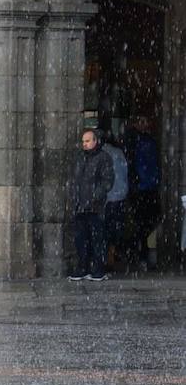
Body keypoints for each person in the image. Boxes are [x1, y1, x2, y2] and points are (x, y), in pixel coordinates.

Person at [68, 129, 114, 282]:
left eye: (87, 141)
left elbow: (107, 181)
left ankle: (98, 269)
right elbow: (75, 180)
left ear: (95, 141)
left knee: (97, 238)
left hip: (95, 207)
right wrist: (74, 197)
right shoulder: (80, 158)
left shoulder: (103, 158)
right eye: (83, 141)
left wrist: (96, 196)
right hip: (80, 205)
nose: (84, 144)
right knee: (81, 239)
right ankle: (83, 267)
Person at [125, 115, 161, 271]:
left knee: (145, 223)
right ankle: (141, 254)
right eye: (141, 122)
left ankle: (141, 254)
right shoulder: (137, 141)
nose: (145, 124)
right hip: (143, 189)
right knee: (143, 223)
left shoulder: (145, 141)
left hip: (146, 188)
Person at [102, 134, 129, 271]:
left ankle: (105, 257)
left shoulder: (101, 153)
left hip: (106, 198)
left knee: (105, 227)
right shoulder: (118, 153)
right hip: (119, 195)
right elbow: (125, 173)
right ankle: (111, 254)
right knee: (115, 227)